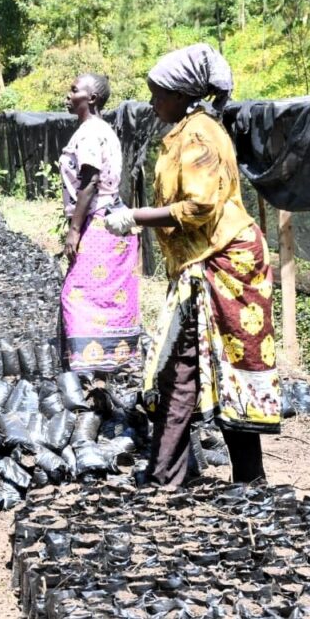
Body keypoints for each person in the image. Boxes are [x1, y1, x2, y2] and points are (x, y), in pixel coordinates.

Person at [105, 43, 281, 487]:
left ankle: (208, 476)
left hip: (226, 261)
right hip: (202, 262)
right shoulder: (186, 129)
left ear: (182, 94)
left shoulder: (199, 133)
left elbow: (200, 204)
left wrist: (135, 218)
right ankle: (180, 474)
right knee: (185, 367)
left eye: (158, 94)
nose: (152, 103)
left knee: (210, 366)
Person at [59, 73, 143, 377]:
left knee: (77, 295)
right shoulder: (98, 130)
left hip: (97, 224)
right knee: (106, 296)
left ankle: (89, 369)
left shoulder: (92, 133)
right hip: (109, 221)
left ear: (91, 98)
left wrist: (73, 230)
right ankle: (114, 362)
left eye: (74, 90)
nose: (68, 95)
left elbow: (90, 181)